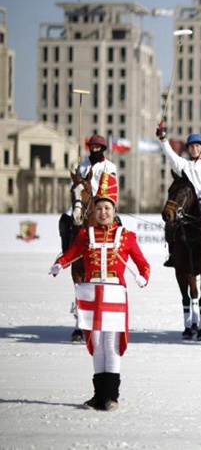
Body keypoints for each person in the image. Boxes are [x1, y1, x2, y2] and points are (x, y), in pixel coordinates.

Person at [49, 172, 150, 411]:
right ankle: (98, 395)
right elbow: (71, 254)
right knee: (96, 343)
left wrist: (143, 276)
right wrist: (58, 264)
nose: (103, 212)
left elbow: (142, 263)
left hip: (115, 293)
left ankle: (111, 396)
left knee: (112, 342)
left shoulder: (126, 237)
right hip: (91, 293)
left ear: (114, 210)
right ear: (93, 212)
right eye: (99, 209)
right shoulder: (85, 235)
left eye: (107, 208)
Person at [156, 125, 201, 270]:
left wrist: (200, 199)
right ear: (188, 149)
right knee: (170, 225)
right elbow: (170, 154)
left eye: (197, 146)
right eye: (191, 146)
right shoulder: (184, 165)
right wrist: (163, 139)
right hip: (187, 208)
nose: (194, 149)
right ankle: (172, 256)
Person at [58, 135, 118, 254]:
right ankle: (66, 251)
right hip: (82, 199)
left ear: (102, 149)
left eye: (97, 147)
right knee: (64, 220)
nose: (94, 149)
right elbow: (74, 185)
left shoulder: (109, 166)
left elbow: (110, 186)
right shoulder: (82, 166)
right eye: (92, 147)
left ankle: (115, 251)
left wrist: (100, 199)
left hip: (101, 201)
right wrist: (78, 176)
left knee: (118, 222)